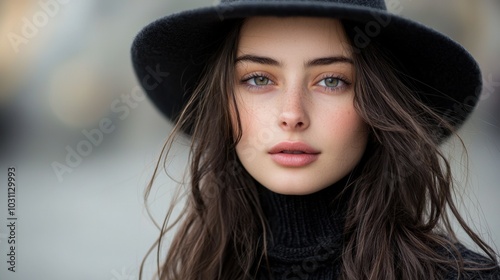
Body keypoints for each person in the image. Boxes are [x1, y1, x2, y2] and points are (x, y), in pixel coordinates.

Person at [131, 0, 500, 279]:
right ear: (223, 101)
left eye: (331, 80)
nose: (292, 114)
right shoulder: (195, 271)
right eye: (259, 79)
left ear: (378, 105)